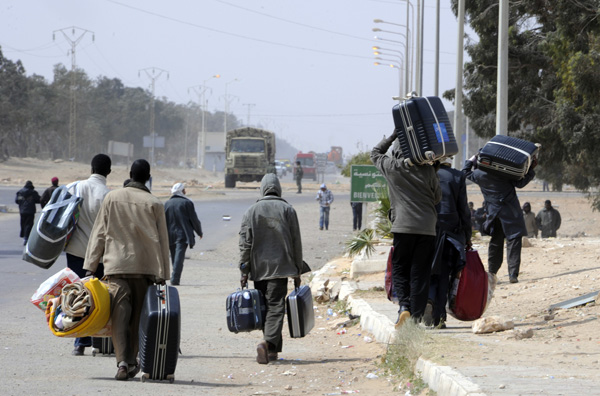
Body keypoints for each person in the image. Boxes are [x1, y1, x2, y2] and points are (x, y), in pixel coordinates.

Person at [84, 159, 170, 381]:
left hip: (117, 267)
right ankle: (131, 360)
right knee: (138, 318)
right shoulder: (155, 203)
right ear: (147, 177)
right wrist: (164, 275)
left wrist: (90, 266)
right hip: (145, 269)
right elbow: (163, 242)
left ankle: (123, 363)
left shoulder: (112, 198)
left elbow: (99, 233)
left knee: (119, 317)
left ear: (130, 174)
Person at [371, 131, 441, 327]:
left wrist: (393, 135)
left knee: (401, 269)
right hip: (427, 228)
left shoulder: (392, 167)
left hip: (403, 227)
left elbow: (375, 153)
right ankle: (416, 317)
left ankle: (404, 307)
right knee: (421, 271)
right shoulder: (427, 171)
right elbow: (437, 198)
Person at [239, 173, 303, 364]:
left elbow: (245, 244)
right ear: (278, 188)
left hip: (259, 269)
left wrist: (244, 271)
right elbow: (296, 243)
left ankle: (272, 351)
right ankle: (267, 344)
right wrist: (297, 270)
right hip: (281, 267)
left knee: (266, 308)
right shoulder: (288, 210)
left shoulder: (251, 211)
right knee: (276, 307)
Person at [463, 154, 537, 284]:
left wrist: (471, 160)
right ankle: (513, 274)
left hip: (494, 214)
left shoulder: (479, 175)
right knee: (513, 241)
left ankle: (492, 273)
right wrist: (531, 169)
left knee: (496, 242)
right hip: (511, 212)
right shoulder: (504, 172)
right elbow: (520, 183)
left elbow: (464, 172)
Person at [65, 154, 112, 356]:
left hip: (75, 251)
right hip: (99, 255)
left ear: (91, 168)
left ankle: (79, 341)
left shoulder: (73, 187)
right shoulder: (108, 195)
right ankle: (97, 339)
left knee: (77, 294)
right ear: (108, 172)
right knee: (97, 296)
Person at [425, 157, 472, 328]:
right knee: (445, 273)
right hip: (451, 233)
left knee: (430, 271)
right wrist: (467, 235)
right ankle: (439, 318)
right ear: (451, 160)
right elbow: (463, 209)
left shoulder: (428, 174)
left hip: (428, 230)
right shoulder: (457, 177)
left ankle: (429, 298)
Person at [164, 182, 203, 286]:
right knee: (179, 258)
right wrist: (199, 231)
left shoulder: (167, 203)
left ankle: (174, 276)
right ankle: (175, 279)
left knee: (174, 257)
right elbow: (194, 220)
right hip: (183, 235)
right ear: (182, 191)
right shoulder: (187, 203)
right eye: (184, 190)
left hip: (170, 234)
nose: (185, 191)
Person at [15, 181, 40, 245]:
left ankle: (24, 236)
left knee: (23, 224)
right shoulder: (33, 192)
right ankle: (26, 237)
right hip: (30, 211)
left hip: (22, 211)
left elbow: (17, 201)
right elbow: (38, 199)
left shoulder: (20, 192)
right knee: (29, 225)